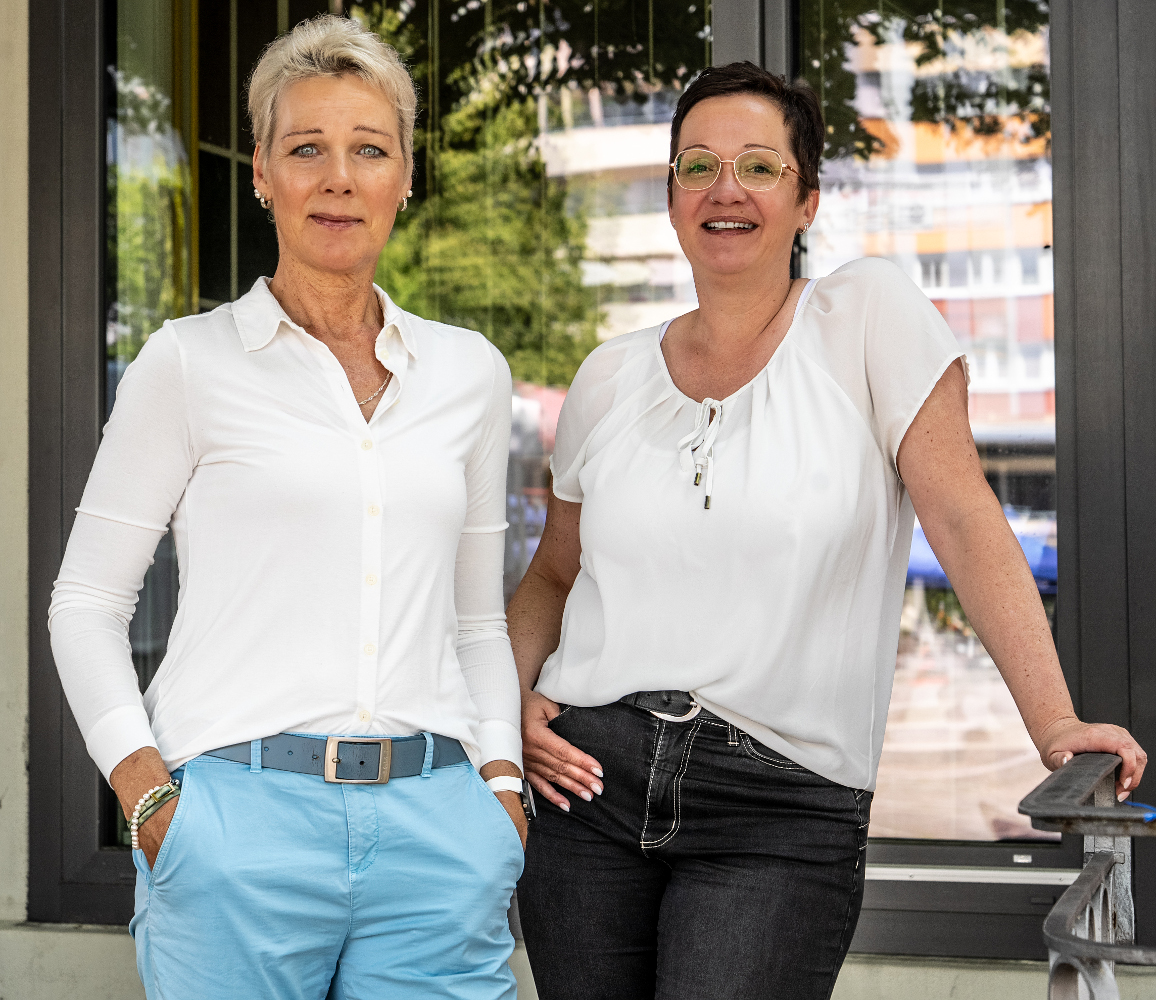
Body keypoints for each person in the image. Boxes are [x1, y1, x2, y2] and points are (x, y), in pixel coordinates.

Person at [509, 62, 1147, 1000]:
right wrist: (504, 709)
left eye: (759, 167)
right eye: (698, 166)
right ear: (673, 197)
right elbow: (553, 578)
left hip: (777, 801)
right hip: (587, 785)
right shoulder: (608, 376)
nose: (726, 189)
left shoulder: (866, 317)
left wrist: (1054, 723)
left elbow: (964, 518)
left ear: (807, 199)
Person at [49, 16, 533, 1000]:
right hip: (234, 831)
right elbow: (86, 603)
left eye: (370, 150)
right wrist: (147, 798)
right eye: (306, 148)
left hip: (439, 835)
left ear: (406, 175)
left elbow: (477, 621)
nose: (338, 178)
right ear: (264, 174)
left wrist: (501, 791)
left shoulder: (469, 373)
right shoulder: (188, 364)